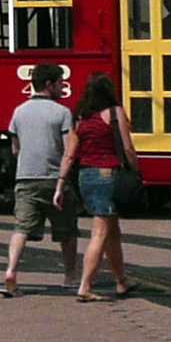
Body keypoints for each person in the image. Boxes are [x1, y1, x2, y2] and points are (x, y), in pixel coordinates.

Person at [2, 63, 80, 297]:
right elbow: (69, 151)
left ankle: (11, 271)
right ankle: (69, 276)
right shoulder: (62, 112)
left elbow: (15, 149)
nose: (63, 87)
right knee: (67, 231)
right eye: (60, 83)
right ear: (49, 85)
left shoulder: (19, 111)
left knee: (21, 228)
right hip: (55, 179)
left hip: (25, 178)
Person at [68, 72, 138, 301]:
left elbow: (71, 153)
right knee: (100, 232)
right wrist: (135, 170)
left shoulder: (79, 117)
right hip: (108, 175)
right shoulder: (115, 113)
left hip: (85, 175)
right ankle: (85, 286)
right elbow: (128, 148)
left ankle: (121, 280)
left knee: (112, 232)